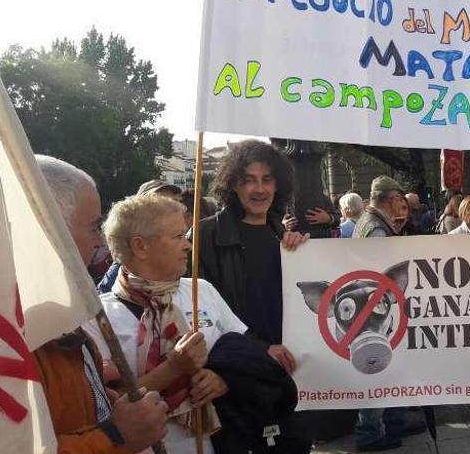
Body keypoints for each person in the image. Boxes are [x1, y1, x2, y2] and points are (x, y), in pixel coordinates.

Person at [86, 194, 248, 453]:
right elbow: (108, 404)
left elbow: (242, 352)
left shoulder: (202, 290)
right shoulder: (96, 315)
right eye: (178, 236)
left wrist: (223, 378)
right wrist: (173, 368)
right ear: (140, 246)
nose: (188, 246)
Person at [34, 155, 168, 454]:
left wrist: (101, 402)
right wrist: (115, 437)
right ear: (49, 226)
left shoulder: (60, 312)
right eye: (94, 227)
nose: (101, 242)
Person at [195, 140, 312, 451]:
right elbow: (202, 315)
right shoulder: (206, 236)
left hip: (285, 381)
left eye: (266, 179)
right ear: (232, 185)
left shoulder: (285, 237)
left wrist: (305, 256)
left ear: (278, 185)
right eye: (248, 180)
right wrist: (261, 350)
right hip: (235, 385)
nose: (258, 189)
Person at [352, 176, 425, 451]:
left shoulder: (368, 221)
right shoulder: (377, 230)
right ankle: (370, 432)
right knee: (380, 371)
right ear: (393, 199)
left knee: (386, 370)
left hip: (373, 311)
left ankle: (391, 423)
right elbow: (379, 274)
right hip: (377, 314)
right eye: (400, 200)